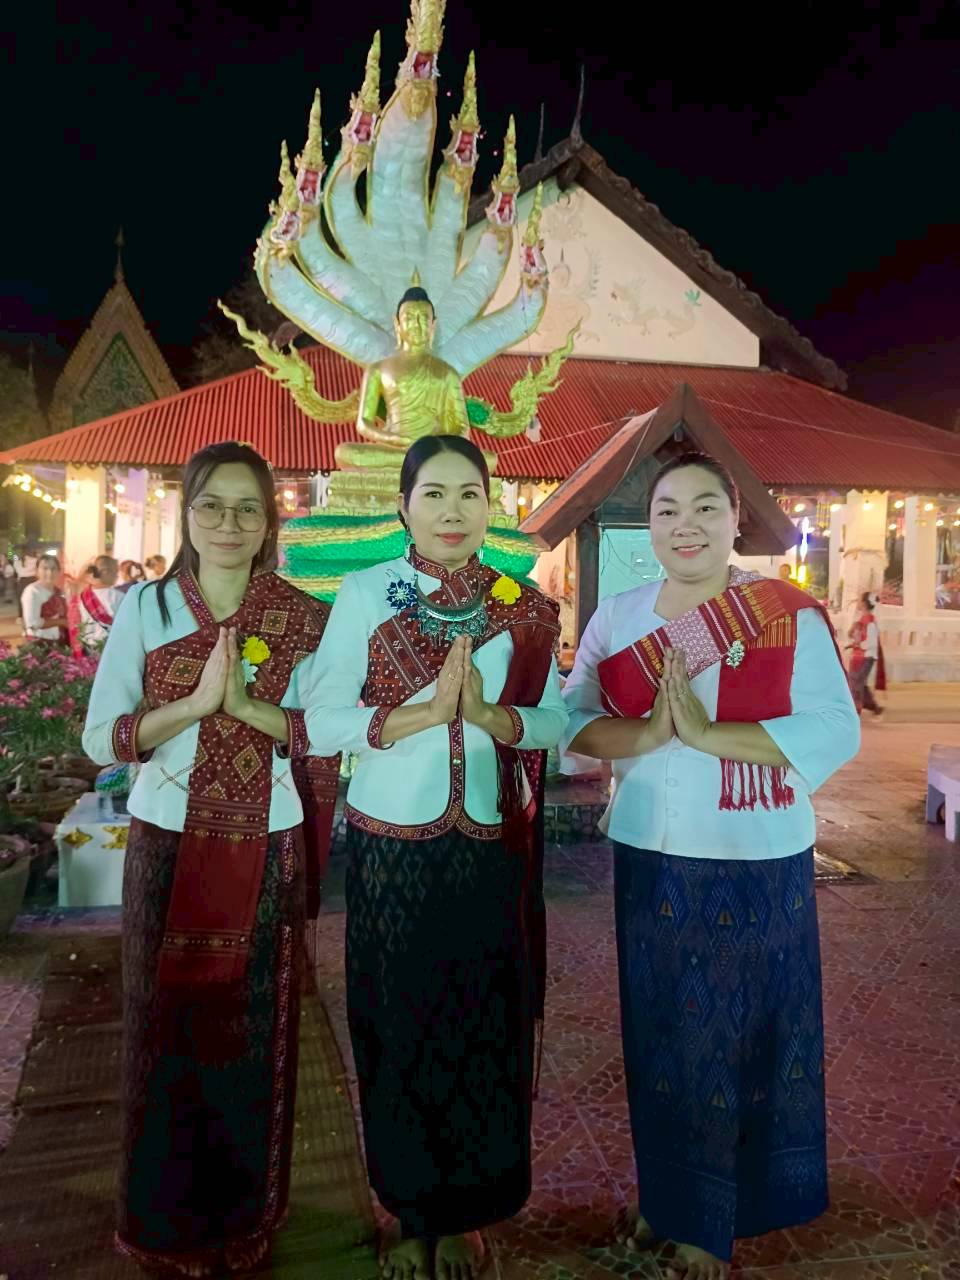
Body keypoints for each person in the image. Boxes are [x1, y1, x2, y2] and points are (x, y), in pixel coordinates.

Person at [560, 452, 860, 1280]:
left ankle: (713, 1221)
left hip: (755, 858)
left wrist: (705, 736)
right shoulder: (619, 617)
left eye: (703, 508)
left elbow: (834, 729)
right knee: (660, 1039)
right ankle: (669, 1200)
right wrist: (648, 734)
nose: (684, 525)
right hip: (650, 854)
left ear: (736, 521)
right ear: (649, 525)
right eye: (666, 510)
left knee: (742, 1040)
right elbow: (573, 720)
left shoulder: (784, 615)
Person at [305, 435, 568, 1280]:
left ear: (492, 507)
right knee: (397, 1024)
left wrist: (493, 719)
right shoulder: (365, 593)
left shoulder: (522, 605)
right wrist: (416, 717)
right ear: (404, 506)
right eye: (435, 494)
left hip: (488, 845)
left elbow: (556, 722)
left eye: (470, 495)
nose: (453, 511)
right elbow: (320, 717)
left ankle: (468, 1214)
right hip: (392, 847)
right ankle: (409, 1207)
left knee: (484, 1027)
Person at [82, 442, 340, 1277]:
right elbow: (100, 739)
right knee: (163, 1028)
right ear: (187, 513)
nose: (229, 523)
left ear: (270, 523)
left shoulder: (302, 617)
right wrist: (193, 706)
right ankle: (164, 1223)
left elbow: (325, 731)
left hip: (266, 842)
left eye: (248, 508)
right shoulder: (147, 608)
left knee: (254, 1032)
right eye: (212, 506)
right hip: (166, 839)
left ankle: (245, 1216)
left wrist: (249, 709)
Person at [76, 555, 125, 649]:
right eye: (115, 572)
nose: (117, 576)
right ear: (105, 572)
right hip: (112, 646)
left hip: (87, 646)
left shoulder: (82, 595)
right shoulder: (119, 596)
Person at [20, 554, 68, 643]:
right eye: (45, 568)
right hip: (38, 642)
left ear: (59, 571)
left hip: (59, 641)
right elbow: (33, 623)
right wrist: (62, 622)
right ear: (37, 571)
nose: (50, 572)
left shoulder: (59, 591)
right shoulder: (32, 592)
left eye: (53, 569)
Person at [13, 544, 38, 608]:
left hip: (22, 582)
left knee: (21, 600)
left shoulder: (16, 562)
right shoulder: (35, 560)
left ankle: (21, 613)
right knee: (33, 600)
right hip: (32, 580)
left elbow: (18, 572)